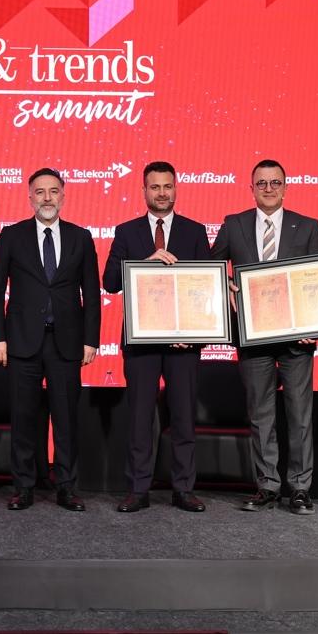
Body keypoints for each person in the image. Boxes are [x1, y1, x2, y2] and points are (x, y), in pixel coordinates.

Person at [211, 158, 318, 515]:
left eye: (275, 182)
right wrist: (226, 283)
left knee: (300, 414)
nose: (269, 188)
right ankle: (267, 486)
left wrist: (315, 326)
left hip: (297, 338)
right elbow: (212, 266)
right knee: (260, 415)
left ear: (285, 187)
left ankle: (300, 488)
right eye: (262, 183)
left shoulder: (307, 226)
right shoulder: (234, 224)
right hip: (252, 335)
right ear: (252, 188)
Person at [0, 167, 100, 512]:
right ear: (30, 197)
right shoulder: (11, 236)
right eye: (40, 192)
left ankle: (66, 486)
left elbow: (91, 294)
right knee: (23, 417)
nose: (47, 198)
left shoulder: (81, 237)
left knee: (66, 418)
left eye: (53, 191)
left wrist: (91, 340)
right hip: (21, 341)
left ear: (63, 196)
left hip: (66, 342)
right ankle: (23, 487)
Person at [103, 161, 212, 513]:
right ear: (144, 191)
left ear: (176, 188)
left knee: (183, 418)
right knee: (139, 419)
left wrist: (194, 334)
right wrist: (145, 263)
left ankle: (184, 489)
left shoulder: (195, 231)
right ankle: (138, 489)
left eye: (167, 186)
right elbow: (110, 282)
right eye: (155, 187)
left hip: (184, 343)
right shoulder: (127, 231)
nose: (162, 193)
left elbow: (205, 287)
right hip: (142, 342)